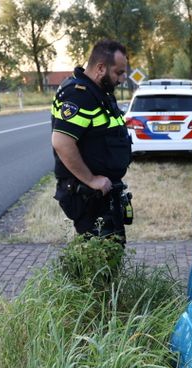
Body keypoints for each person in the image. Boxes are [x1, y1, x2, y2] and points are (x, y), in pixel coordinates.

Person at [51, 39, 133, 242]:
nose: (122, 79)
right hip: (87, 195)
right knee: (100, 260)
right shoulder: (79, 95)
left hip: (104, 193)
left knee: (109, 254)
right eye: (118, 72)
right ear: (100, 68)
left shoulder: (99, 93)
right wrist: (91, 179)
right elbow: (62, 142)